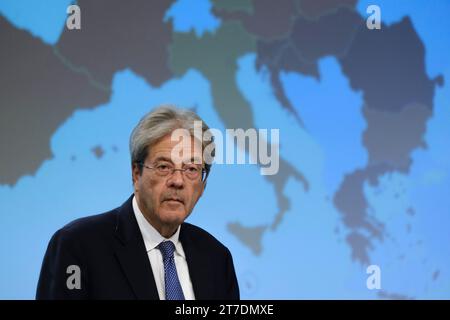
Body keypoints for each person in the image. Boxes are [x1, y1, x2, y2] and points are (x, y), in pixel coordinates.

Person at [36, 105, 240, 300]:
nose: (177, 181)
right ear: (136, 174)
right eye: (163, 166)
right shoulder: (77, 245)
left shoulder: (216, 258)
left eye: (192, 169)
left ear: (203, 186)